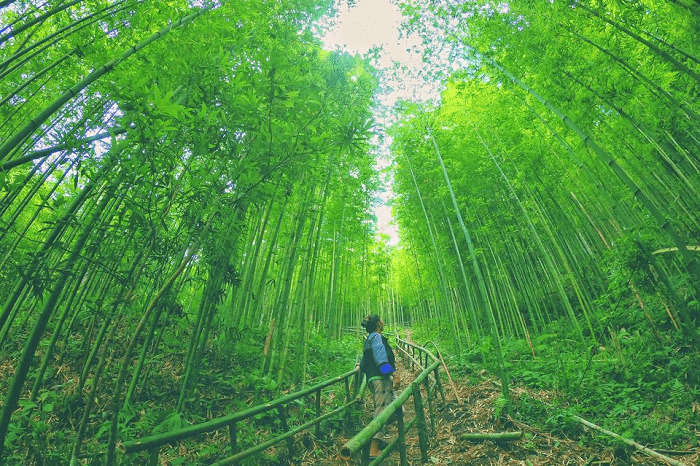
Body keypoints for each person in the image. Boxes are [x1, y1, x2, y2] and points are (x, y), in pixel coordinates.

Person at [359, 314, 401, 458]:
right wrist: (393, 375)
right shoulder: (376, 338)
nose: (383, 322)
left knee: (397, 409)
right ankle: (373, 448)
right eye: (381, 320)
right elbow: (381, 361)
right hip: (380, 380)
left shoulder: (369, 339)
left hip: (374, 379)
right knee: (382, 412)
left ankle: (372, 438)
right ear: (378, 324)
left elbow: (364, 364)